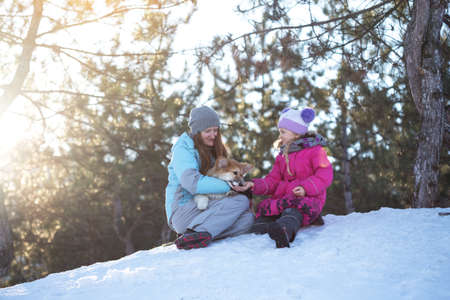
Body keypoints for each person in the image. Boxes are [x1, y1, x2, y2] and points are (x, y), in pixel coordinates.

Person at [234, 107, 333, 248]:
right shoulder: (282, 156)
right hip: (285, 198)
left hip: (308, 198)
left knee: (292, 213)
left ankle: (284, 231)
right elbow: (273, 180)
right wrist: (253, 185)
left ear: (297, 133)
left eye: (283, 132)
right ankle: (259, 228)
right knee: (268, 211)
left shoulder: (315, 151)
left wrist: (306, 188)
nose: (280, 136)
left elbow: (324, 174)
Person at [165, 106, 254, 250]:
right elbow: (192, 182)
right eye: (208, 131)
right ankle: (196, 232)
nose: (213, 135)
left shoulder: (212, 149)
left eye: (215, 130)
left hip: (206, 208)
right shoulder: (183, 149)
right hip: (184, 210)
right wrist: (230, 186)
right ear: (197, 132)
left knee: (247, 220)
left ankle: (198, 234)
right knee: (240, 201)